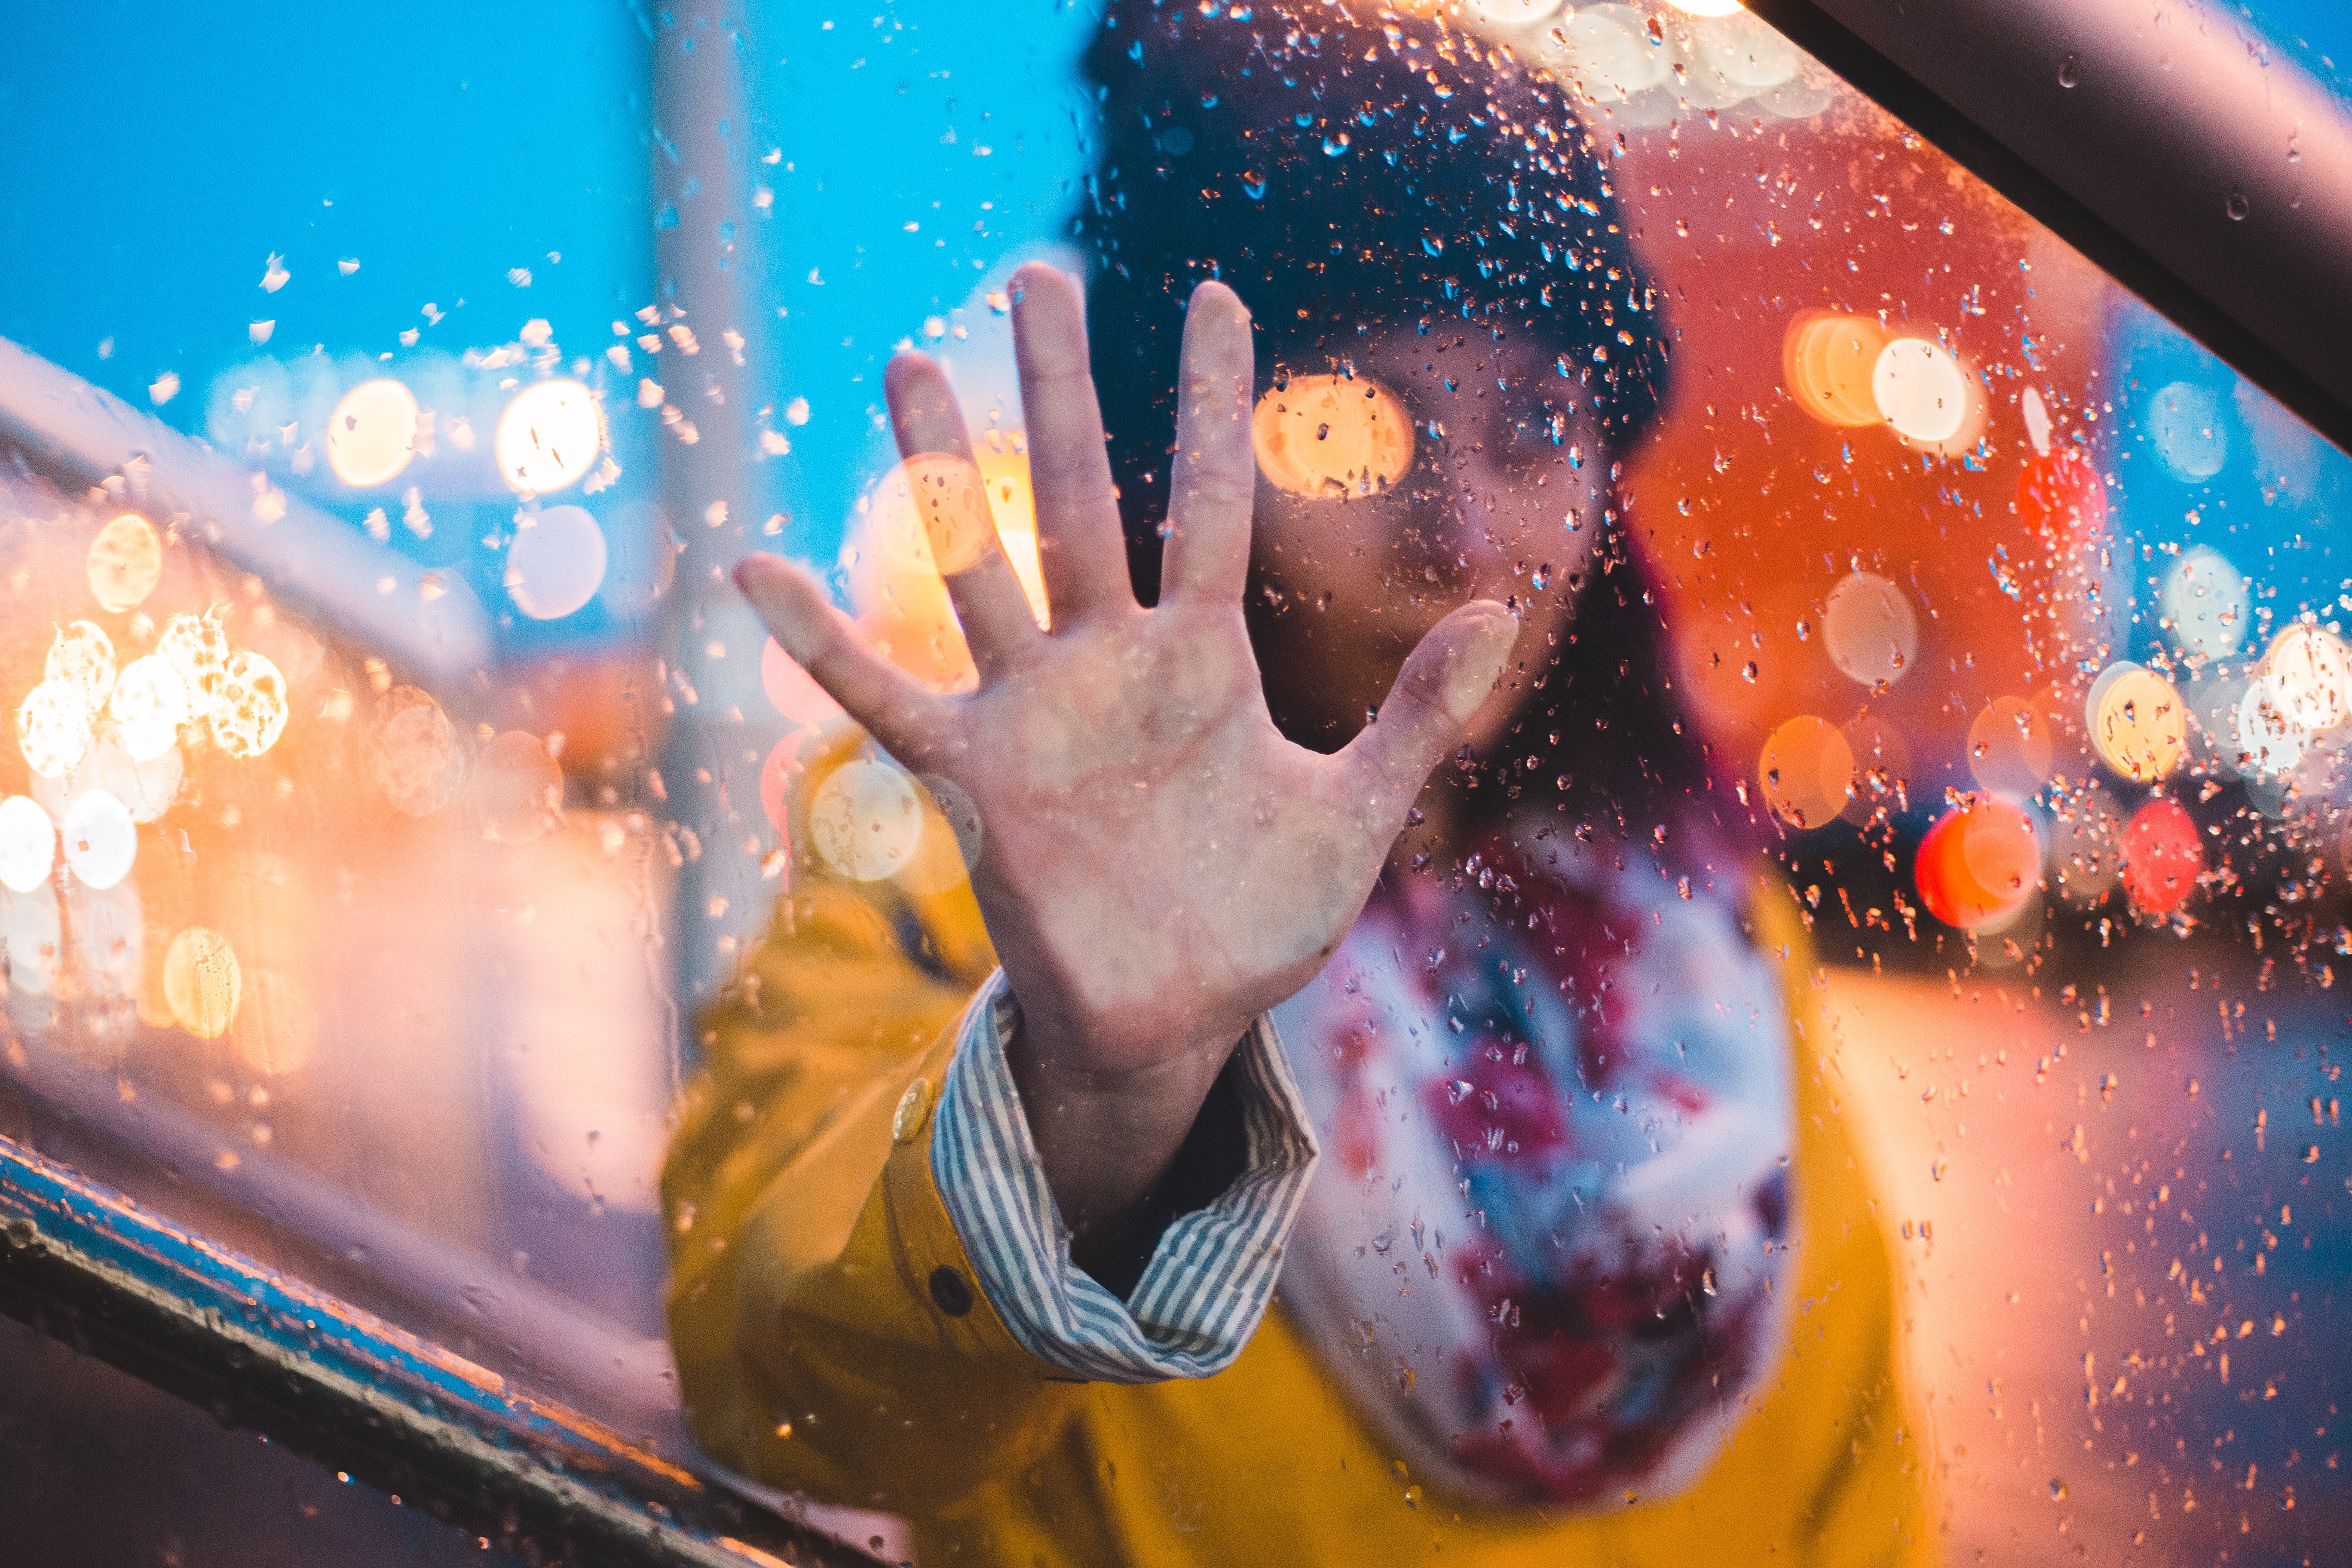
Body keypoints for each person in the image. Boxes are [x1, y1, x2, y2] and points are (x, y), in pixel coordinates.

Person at [665, 5, 1930, 1562]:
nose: (1464, 540)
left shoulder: (1707, 954)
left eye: (1536, 423)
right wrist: (1087, 1109)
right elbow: (776, 1378)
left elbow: (1864, 1502)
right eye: (1342, 429)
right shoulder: (989, 897)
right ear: (1167, 471)